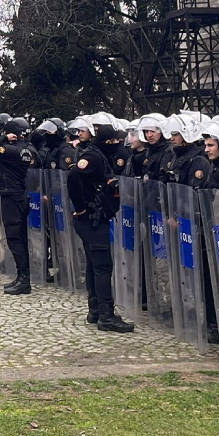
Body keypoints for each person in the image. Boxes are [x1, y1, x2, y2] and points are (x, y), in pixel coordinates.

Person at [67, 117, 135, 333]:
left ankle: (95, 309)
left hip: (94, 218)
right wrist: (81, 208)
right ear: (108, 142)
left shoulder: (98, 156)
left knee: (94, 265)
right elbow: (73, 177)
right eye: (114, 141)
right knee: (103, 267)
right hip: (92, 220)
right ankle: (106, 315)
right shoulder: (93, 158)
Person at [0, 119, 38, 294]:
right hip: (18, 196)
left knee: (15, 238)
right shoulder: (28, 149)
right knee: (19, 238)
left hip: (12, 197)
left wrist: (2, 137)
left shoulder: (13, 151)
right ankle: (22, 277)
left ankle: (24, 280)